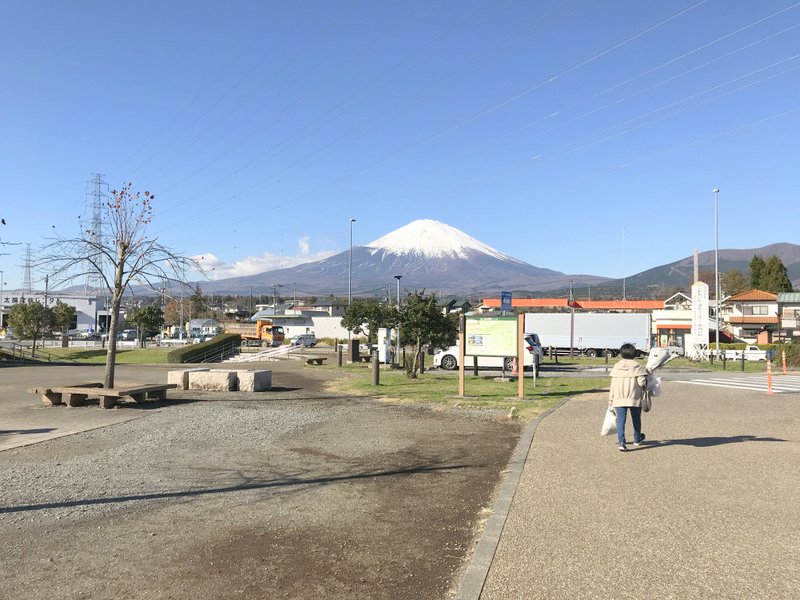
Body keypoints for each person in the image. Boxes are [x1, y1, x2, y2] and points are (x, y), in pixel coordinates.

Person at [608, 343, 650, 451]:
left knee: (621, 420)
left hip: (618, 398)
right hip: (634, 398)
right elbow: (641, 383)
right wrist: (646, 377)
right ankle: (637, 439)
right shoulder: (638, 367)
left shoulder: (616, 367)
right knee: (636, 419)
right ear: (634, 353)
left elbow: (612, 384)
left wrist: (610, 398)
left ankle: (621, 442)